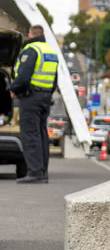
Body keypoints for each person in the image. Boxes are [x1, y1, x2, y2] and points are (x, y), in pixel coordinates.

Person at [7, 25, 57, 183]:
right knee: (41, 134)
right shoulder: (50, 51)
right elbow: (55, 79)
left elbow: (23, 75)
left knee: (30, 135)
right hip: (45, 96)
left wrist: (14, 89)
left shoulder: (32, 50)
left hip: (31, 97)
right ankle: (42, 172)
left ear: (30, 34)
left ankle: (35, 173)